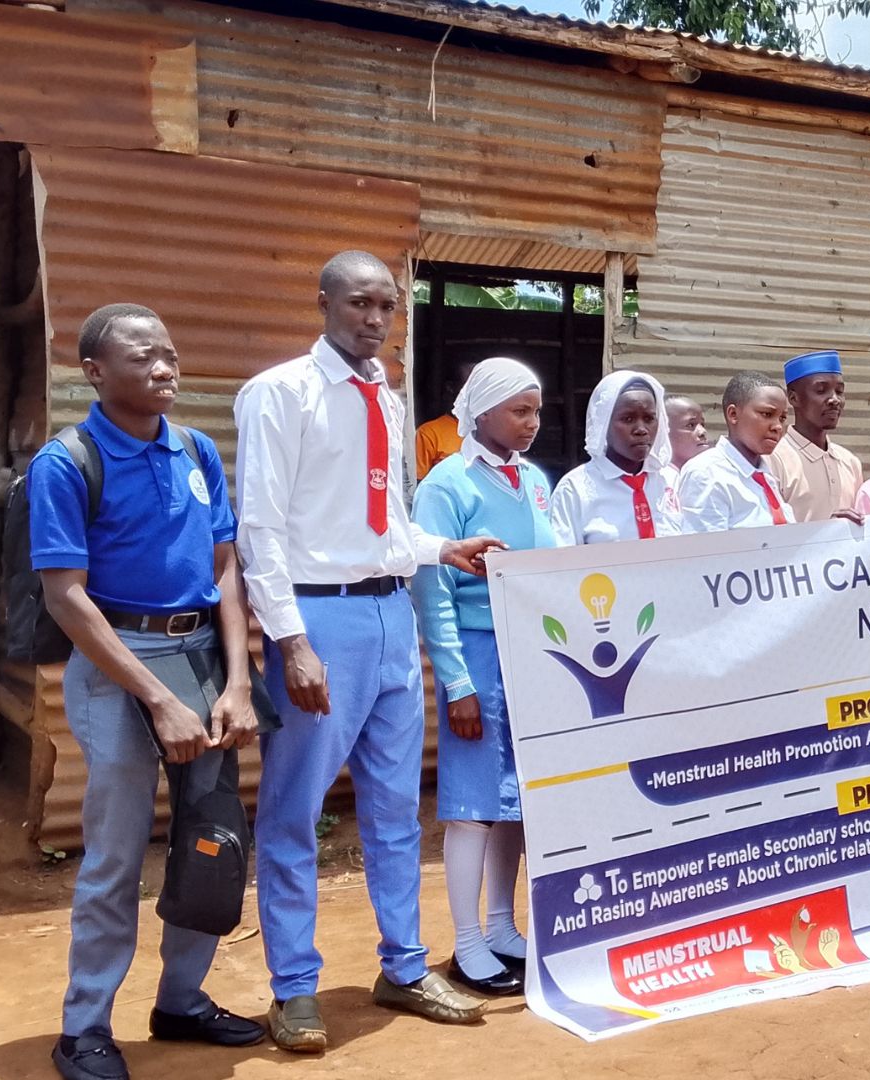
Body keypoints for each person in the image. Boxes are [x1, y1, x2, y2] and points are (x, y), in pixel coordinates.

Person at [233, 251, 500, 1053]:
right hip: (320, 624)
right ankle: (294, 989)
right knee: (295, 813)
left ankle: (406, 966)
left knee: (392, 809)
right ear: (323, 302)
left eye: (387, 305)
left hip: (389, 618)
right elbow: (261, 530)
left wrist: (442, 548)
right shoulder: (281, 393)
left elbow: (382, 528)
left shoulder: (386, 397)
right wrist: (291, 641)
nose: (375, 319)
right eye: (359, 303)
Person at [31, 305, 265, 1080]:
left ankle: (182, 1000)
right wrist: (157, 700)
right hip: (116, 661)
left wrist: (236, 680)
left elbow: (226, 568)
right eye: (143, 357)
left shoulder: (196, 449)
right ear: (95, 371)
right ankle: (86, 1027)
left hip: (202, 654)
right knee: (116, 850)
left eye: (169, 354)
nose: (165, 368)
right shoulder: (67, 462)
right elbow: (67, 597)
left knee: (213, 838)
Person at [413, 357, 559, 1000]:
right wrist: (457, 683)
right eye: (519, 411)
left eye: (536, 411)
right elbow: (432, 589)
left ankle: (503, 926)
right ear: (480, 411)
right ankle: (467, 939)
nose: (531, 424)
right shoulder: (448, 484)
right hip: (475, 652)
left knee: (517, 802)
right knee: (473, 805)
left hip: (530, 653)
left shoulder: (533, 480)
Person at [551, 370, 683, 544]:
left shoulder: (670, 480)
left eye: (649, 418)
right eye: (628, 419)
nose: (641, 429)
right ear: (603, 424)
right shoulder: (575, 489)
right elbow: (562, 561)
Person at [676, 371, 797, 532]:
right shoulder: (707, 474)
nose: (778, 427)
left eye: (782, 418)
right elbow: (706, 552)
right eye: (767, 414)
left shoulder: (764, 475)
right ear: (733, 414)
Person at [768, 350, 864, 521]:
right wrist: (825, 532)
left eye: (840, 391)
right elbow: (767, 535)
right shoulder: (773, 460)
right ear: (793, 397)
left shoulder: (850, 462)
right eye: (821, 390)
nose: (835, 399)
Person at [413, 353, 481, 479]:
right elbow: (418, 484)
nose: (476, 392)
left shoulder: (494, 429)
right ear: (450, 387)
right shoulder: (429, 433)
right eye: (469, 386)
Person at [663, 394, 711, 490]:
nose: (702, 432)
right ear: (664, 432)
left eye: (702, 424)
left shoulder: (712, 476)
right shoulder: (659, 481)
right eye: (690, 425)